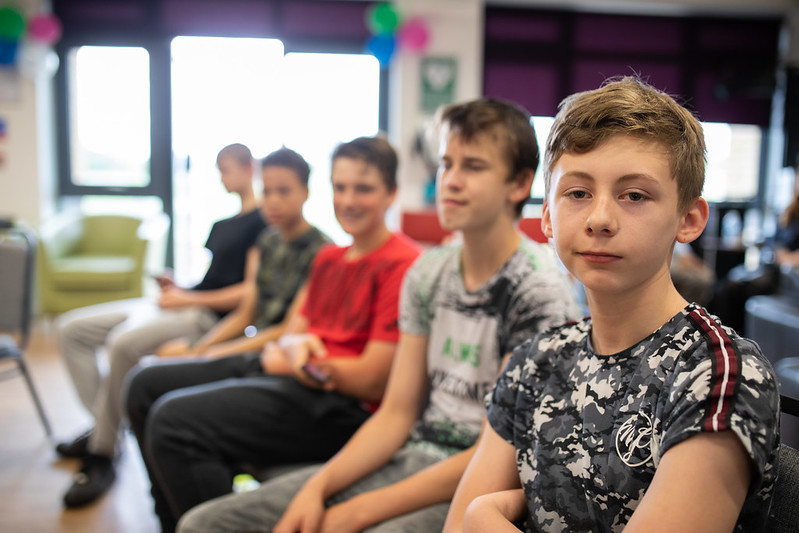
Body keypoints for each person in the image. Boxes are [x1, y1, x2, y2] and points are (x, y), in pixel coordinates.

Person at [177, 98, 582, 533]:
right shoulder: (429, 271)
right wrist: (317, 487)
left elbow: (496, 453)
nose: (451, 180)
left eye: (474, 166)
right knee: (204, 523)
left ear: (520, 183)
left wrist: (360, 510)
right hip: (412, 454)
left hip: (479, 484)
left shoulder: (536, 289)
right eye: (447, 164)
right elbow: (396, 412)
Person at [443, 76, 780, 532]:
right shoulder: (534, 362)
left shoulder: (717, 373)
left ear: (688, 218)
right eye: (577, 193)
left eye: (634, 195)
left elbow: (471, 518)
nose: (600, 219)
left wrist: (484, 518)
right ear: (547, 217)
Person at [124, 135, 421, 532]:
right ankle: (175, 521)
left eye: (363, 189)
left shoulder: (404, 264)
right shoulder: (329, 259)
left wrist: (299, 359)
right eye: (341, 187)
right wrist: (292, 351)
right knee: (143, 384)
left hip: (337, 405)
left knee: (173, 422)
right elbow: (289, 334)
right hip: (286, 373)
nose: (348, 200)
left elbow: (371, 380)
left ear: (392, 194)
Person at [57, 142, 267, 508]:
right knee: (71, 329)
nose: (221, 178)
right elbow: (210, 280)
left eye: (227, 169)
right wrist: (179, 286)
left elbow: (246, 295)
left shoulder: (263, 223)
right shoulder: (223, 224)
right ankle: (103, 427)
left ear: (249, 168)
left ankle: (101, 453)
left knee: (122, 345)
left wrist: (188, 299)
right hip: (181, 303)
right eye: (218, 170)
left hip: (201, 316)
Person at [155, 147, 330, 360]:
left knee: (157, 374)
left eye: (283, 191)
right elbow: (245, 313)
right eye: (266, 192)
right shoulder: (268, 241)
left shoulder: (321, 251)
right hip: (248, 338)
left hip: (274, 351)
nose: (273, 201)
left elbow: (289, 329)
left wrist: (217, 353)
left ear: (305, 192)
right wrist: (203, 347)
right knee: (165, 353)